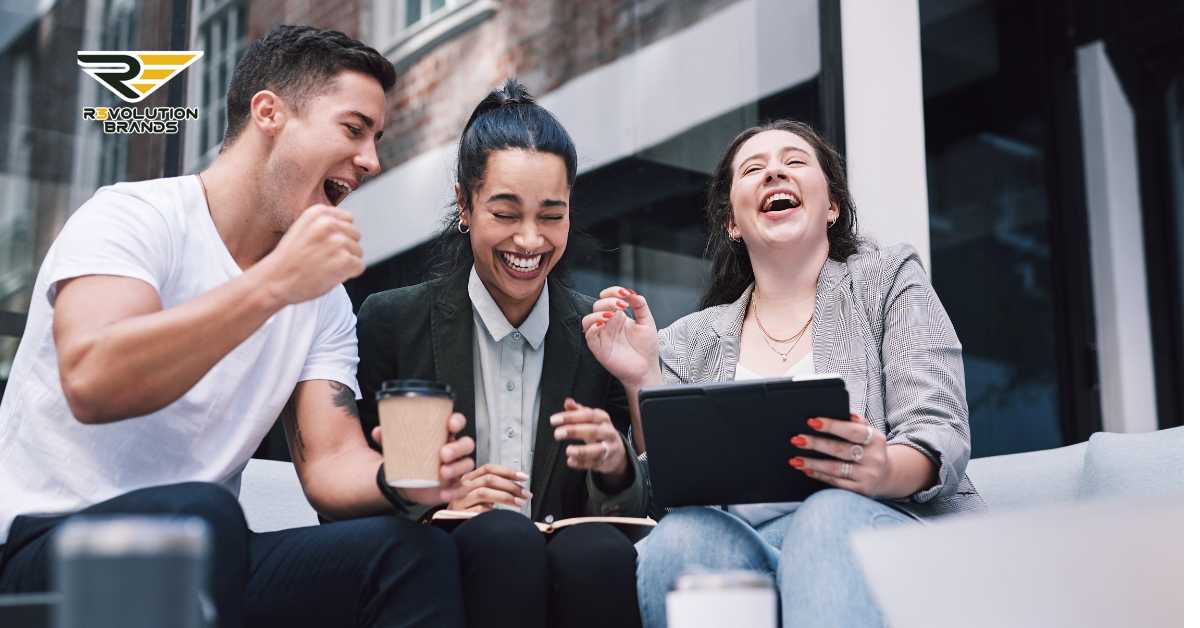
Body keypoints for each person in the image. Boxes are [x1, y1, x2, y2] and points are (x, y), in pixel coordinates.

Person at [0, 25, 477, 628]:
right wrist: (274, 283)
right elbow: (95, 381)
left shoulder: (322, 299)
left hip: (208, 554)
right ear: (269, 112)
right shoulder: (132, 217)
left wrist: (405, 479)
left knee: (411, 552)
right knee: (204, 517)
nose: (371, 161)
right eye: (354, 130)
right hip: (51, 543)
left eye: (375, 139)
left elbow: (330, 462)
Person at [582, 120, 987, 628]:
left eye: (794, 161)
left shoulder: (888, 280)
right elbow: (666, 491)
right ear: (732, 222)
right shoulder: (690, 340)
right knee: (682, 534)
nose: (774, 172)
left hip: (887, 535)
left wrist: (882, 468)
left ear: (833, 206)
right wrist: (642, 381)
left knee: (827, 513)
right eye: (754, 169)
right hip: (751, 555)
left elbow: (941, 430)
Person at [355, 79, 648, 628]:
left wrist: (613, 465)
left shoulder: (596, 336)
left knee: (601, 555)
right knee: (501, 538)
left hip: (566, 569)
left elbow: (631, 512)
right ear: (465, 205)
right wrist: (442, 496)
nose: (531, 240)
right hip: (442, 566)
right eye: (506, 213)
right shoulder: (396, 323)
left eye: (551, 215)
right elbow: (356, 489)